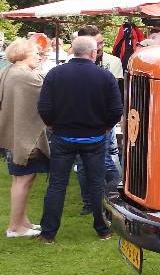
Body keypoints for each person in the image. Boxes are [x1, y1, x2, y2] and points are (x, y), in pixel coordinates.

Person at [37, 35, 123, 243]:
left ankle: (48, 234)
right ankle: (102, 229)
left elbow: (44, 107)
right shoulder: (104, 76)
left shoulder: (55, 74)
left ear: (73, 51)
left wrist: (52, 124)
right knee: (96, 184)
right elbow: (116, 109)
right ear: (93, 53)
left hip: (63, 136)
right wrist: (105, 127)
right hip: (94, 137)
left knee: (57, 185)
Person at [0, 39, 50, 238]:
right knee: (24, 179)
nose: (39, 57)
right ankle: (15, 227)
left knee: (21, 179)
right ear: (24, 54)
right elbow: (48, 90)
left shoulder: (7, 71)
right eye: (36, 54)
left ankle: (22, 221)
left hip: (13, 135)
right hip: (23, 137)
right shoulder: (24, 76)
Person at [74, 25, 123, 215]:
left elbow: (118, 93)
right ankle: (90, 202)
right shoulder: (74, 63)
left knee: (107, 159)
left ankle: (117, 198)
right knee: (84, 165)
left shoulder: (113, 61)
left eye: (102, 41)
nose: (102, 46)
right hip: (82, 121)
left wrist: (114, 120)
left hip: (104, 122)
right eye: (98, 43)